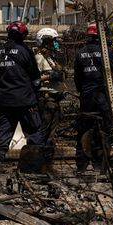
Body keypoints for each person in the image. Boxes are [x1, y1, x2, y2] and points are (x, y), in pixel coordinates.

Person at [0, 21, 43, 174]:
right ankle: (33, 166)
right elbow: (35, 78)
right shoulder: (24, 51)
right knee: (33, 132)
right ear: (23, 35)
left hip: (3, 101)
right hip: (25, 101)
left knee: (4, 132)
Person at [73, 22, 113, 173]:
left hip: (86, 98)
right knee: (105, 130)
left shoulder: (80, 52)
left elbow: (77, 77)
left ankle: (81, 164)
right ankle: (100, 163)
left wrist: (83, 91)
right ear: (101, 35)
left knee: (84, 129)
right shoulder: (105, 51)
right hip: (102, 97)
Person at [34, 27, 66, 171]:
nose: (56, 43)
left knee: (51, 137)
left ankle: (47, 165)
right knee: (43, 134)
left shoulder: (51, 58)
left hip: (55, 100)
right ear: (46, 41)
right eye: (53, 41)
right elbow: (33, 79)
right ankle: (38, 165)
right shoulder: (39, 58)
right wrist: (49, 76)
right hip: (46, 100)